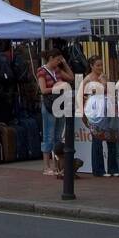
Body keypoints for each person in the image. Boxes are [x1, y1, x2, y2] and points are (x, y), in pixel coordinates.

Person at [36, 47, 74, 177]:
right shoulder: (42, 71)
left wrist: (64, 63)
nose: (59, 62)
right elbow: (43, 90)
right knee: (49, 135)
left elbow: (70, 77)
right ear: (51, 59)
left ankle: (58, 165)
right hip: (49, 104)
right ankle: (46, 166)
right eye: (57, 60)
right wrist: (57, 87)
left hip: (60, 103)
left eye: (60, 60)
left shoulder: (57, 70)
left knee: (58, 136)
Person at [83, 56, 119, 177]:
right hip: (94, 113)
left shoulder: (104, 77)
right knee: (97, 141)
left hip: (107, 110)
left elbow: (110, 92)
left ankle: (112, 168)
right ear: (92, 66)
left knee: (111, 139)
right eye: (97, 65)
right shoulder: (87, 79)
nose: (100, 67)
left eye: (101, 65)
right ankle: (98, 170)